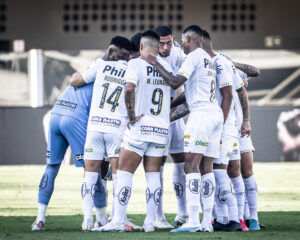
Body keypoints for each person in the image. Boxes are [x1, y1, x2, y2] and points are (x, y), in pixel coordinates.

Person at [144, 25, 223, 233]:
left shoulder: (193, 56)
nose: (182, 46)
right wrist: (167, 107)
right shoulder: (208, 59)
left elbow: (174, 82)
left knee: (190, 165)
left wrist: (155, 64)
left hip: (201, 116)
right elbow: (188, 92)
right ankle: (207, 222)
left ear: (189, 39)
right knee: (207, 168)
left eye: (181, 40)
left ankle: (193, 219)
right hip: (215, 115)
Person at [98, 30, 173, 233]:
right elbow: (176, 95)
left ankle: (118, 220)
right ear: (158, 47)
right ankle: (150, 222)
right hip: (160, 129)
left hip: (140, 129)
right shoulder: (166, 66)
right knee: (153, 176)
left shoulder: (135, 64)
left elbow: (129, 88)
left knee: (123, 173)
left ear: (141, 46)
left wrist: (131, 117)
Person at [31, 57, 106, 231]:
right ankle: (101, 219)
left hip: (56, 113)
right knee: (92, 170)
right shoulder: (104, 81)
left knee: (51, 167)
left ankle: (39, 220)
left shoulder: (82, 75)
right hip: (75, 118)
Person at [70, 36, 133, 231]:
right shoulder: (132, 69)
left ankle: (87, 220)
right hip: (117, 128)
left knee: (89, 175)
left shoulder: (101, 65)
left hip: (95, 127)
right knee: (118, 175)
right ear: (129, 54)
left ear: (111, 50)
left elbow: (76, 81)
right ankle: (116, 219)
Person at [201, 30, 251, 232]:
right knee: (213, 170)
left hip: (223, 126)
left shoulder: (220, 62)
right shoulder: (210, 64)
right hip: (218, 125)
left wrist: (242, 120)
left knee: (220, 170)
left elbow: (235, 93)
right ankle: (224, 218)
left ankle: (235, 219)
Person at [154, 25, 187, 228]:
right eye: (161, 43)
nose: (165, 47)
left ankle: (183, 214)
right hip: (156, 118)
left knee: (181, 160)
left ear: (173, 40)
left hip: (173, 115)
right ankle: (158, 216)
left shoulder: (178, 52)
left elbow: (183, 83)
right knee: (156, 166)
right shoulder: (147, 57)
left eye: (169, 42)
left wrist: (173, 113)